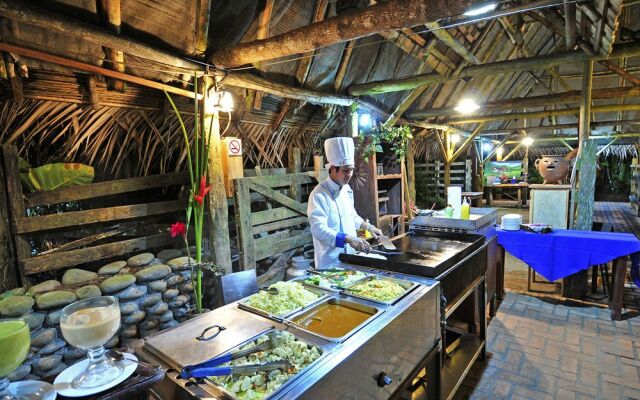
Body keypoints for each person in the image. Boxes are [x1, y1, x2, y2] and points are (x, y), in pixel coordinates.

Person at [307, 137, 383, 268]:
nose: (349, 174)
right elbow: (318, 229)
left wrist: (369, 227)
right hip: (330, 262)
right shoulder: (318, 194)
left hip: (351, 258)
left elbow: (352, 216)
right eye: (345, 170)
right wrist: (346, 238)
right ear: (332, 169)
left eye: (351, 169)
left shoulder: (347, 189)